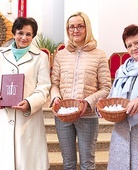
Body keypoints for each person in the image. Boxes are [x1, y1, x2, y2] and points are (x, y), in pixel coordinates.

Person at [0, 17, 51, 170]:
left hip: (28, 118)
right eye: (20, 33)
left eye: (28, 34)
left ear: (33, 36)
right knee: (3, 163)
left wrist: (29, 102)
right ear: (14, 33)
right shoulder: (0, 56)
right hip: (4, 116)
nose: (24, 37)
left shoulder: (41, 57)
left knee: (27, 164)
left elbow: (44, 87)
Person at [50, 11, 111, 170]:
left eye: (79, 26)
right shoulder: (61, 55)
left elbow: (106, 88)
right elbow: (54, 83)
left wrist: (88, 102)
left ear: (87, 28)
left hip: (88, 116)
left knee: (87, 163)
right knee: (68, 163)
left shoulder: (99, 55)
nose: (75, 30)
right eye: (71, 27)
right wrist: (55, 98)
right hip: (63, 115)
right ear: (67, 29)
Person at [107, 25, 138, 170]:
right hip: (122, 131)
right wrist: (105, 104)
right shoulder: (122, 70)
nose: (133, 48)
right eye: (129, 45)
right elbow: (113, 96)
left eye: (137, 43)